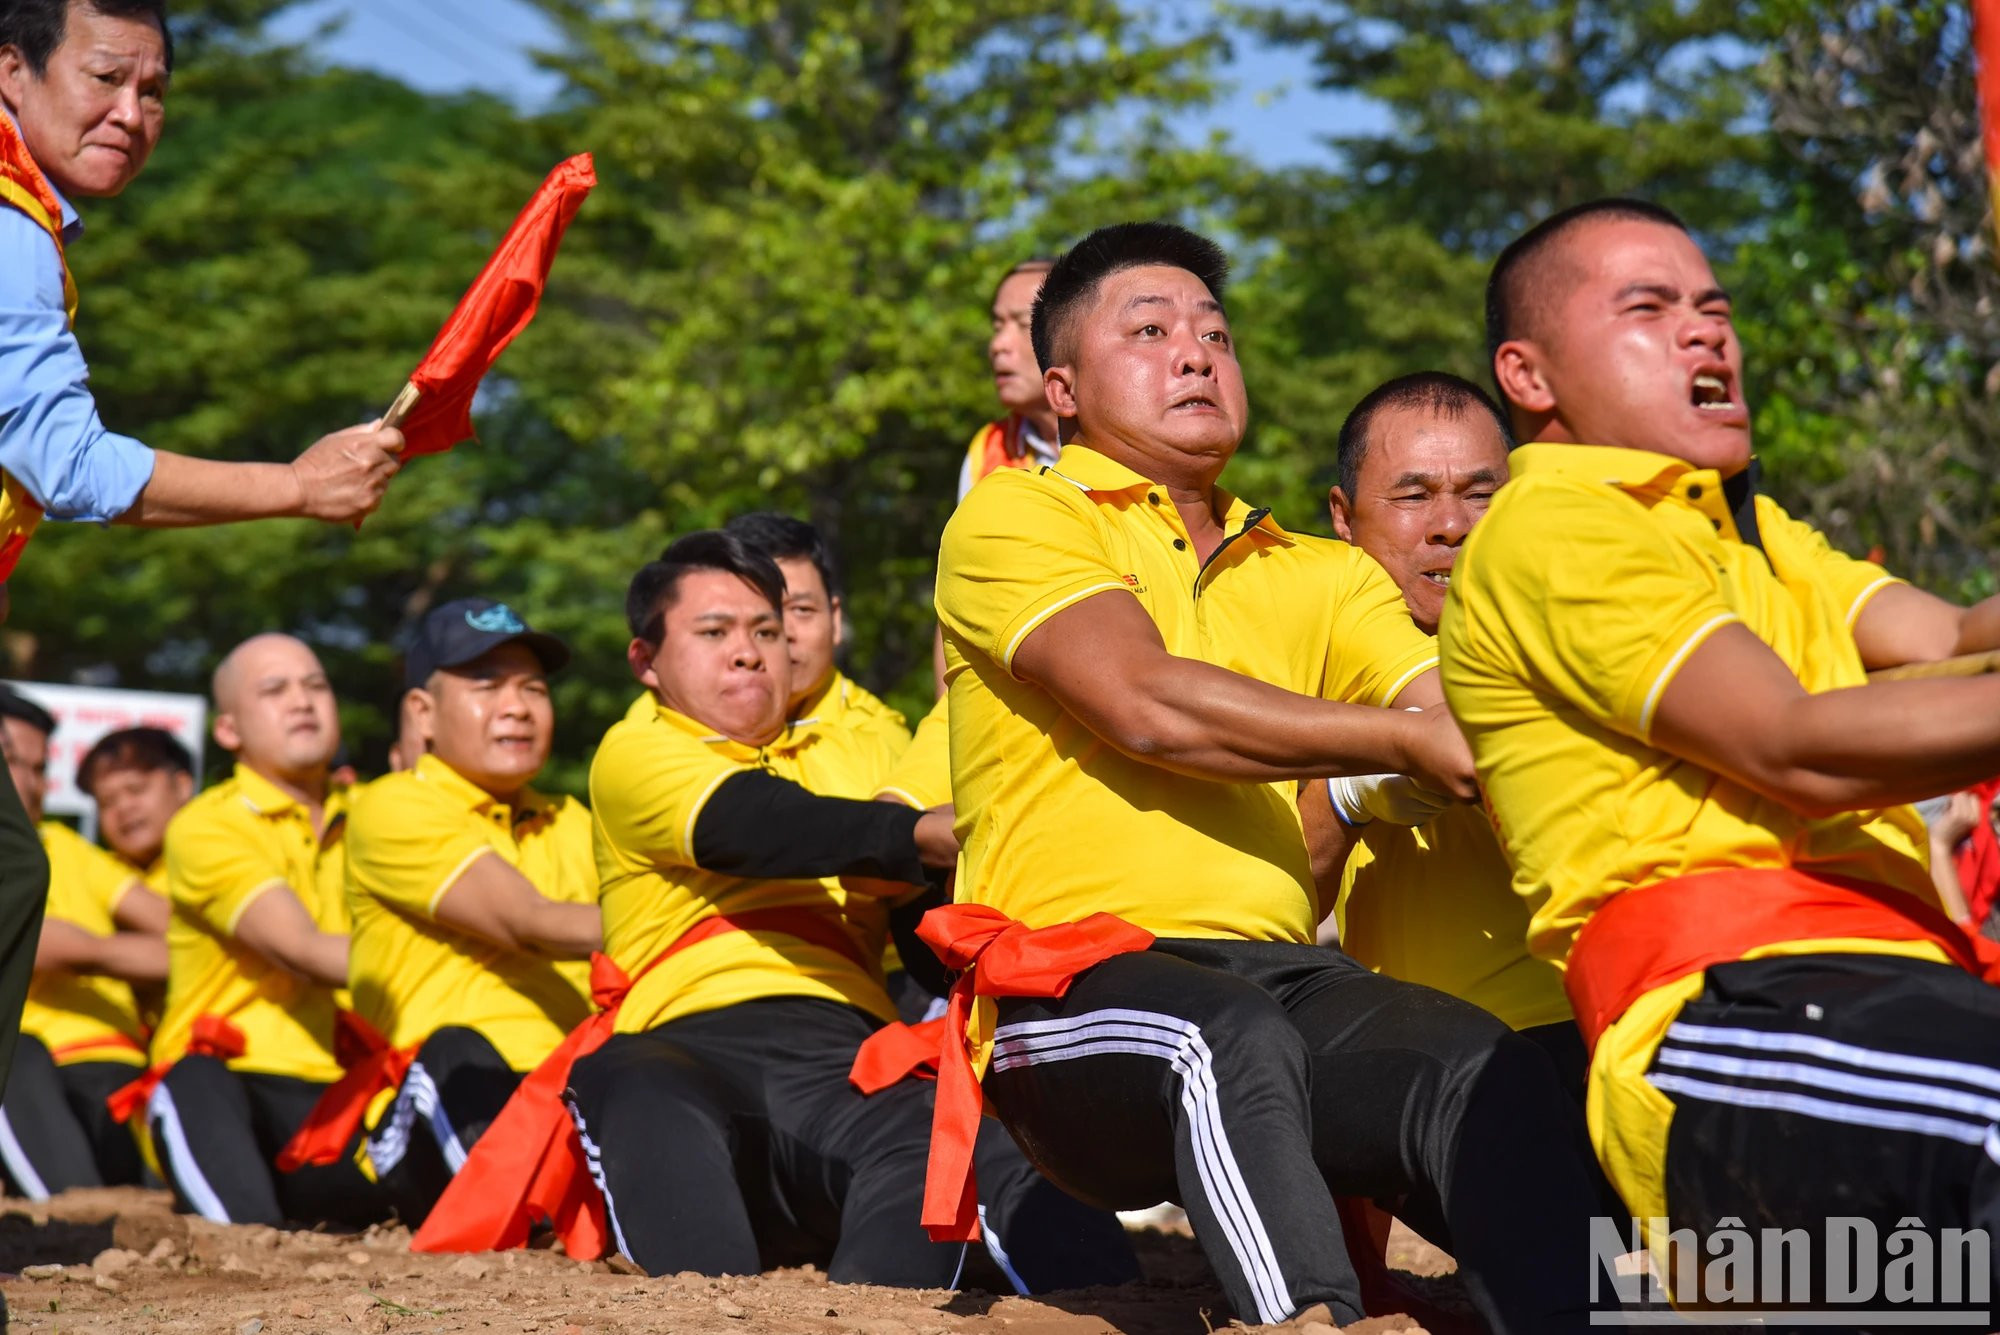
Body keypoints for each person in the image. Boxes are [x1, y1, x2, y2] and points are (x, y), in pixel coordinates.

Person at [924, 221, 1606, 1333]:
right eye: (1148, 331)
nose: (1194, 352)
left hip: (1277, 979)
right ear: (1060, 389)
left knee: (1473, 1065)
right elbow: (1144, 702)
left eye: (1214, 333)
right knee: (1217, 1034)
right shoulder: (1015, 516)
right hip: (1066, 987)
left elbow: (1443, 705)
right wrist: (1393, 748)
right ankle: (1307, 1321)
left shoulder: (1322, 575)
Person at [1440, 196, 2000, 1312]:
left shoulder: (1751, 532)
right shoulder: (1555, 524)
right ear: (1528, 375)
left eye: (1713, 307)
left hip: (1887, 1004)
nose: (1706, 333)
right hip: (1721, 1025)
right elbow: (1796, 749)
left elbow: (1947, 637)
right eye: (1647, 308)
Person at [0, 0, 404, 1116]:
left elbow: (60, 483)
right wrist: (297, 486)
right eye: (106, 77)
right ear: (12, 73)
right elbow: (71, 465)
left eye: (157, 90)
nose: (134, 114)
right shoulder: (8, 223)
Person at [565, 531, 1137, 1291]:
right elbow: (757, 823)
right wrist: (918, 833)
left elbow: (922, 931)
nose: (749, 652)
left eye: (766, 630)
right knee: (641, 1086)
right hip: (679, 1039)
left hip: (841, 1048)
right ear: (647, 662)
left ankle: (898, 1303)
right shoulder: (634, 750)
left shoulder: (870, 747)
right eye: (714, 632)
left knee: (948, 1135)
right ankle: (705, 1301)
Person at [1302, 371, 1576, 1069]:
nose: (1450, 526)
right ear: (1342, 514)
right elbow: (1275, 904)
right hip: (1408, 1065)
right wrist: (1347, 791)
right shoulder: (1298, 653)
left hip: (1592, 1027)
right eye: (1414, 495)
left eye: (1481, 494)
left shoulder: (1584, 630)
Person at [334, 598, 597, 1225]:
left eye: (533, 688)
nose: (518, 706)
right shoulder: (391, 804)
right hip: (428, 1099)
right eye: (486, 685)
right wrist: (690, 913)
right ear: (422, 713)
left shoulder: (575, 819)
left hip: (561, 1085)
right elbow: (527, 922)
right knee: (456, 1057)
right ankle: (534, 1212)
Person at [126, 633, 391, 1228]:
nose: (303, 701)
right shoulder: (206, 825)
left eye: (316, 685)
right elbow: (301, 950)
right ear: (228, 731)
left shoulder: (383, 809)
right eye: (275, 690)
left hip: (348, 1093)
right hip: (232, 1088)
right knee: (195, 1081)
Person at [721, 512, 941, 1018]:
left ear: (836, 618)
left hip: (879, 987)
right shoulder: (667, 725)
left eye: (799, 609)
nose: (782, 631)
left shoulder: (881, 739)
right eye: (760, 613)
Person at [0, 685, 161, 1196]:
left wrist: (87, 950)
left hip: (120, 1073)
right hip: (27, 1073)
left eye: (39, 767)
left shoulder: (69, 848)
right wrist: (113, 952)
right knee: (19, 1055)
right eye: (9, 761)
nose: (27, 783)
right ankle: (67, 1218)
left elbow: (185, 939)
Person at [956, 258, 1059, 502]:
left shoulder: (1133, 441)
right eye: (998, 326)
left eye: (1024, 323)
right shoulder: (988, 450)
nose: (997, 345)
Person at [78, 726, 194, 888]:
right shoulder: (88, 882)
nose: (124, 807)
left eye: (136, 789)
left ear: (182, 786)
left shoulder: (222, 859)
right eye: (107, 801)